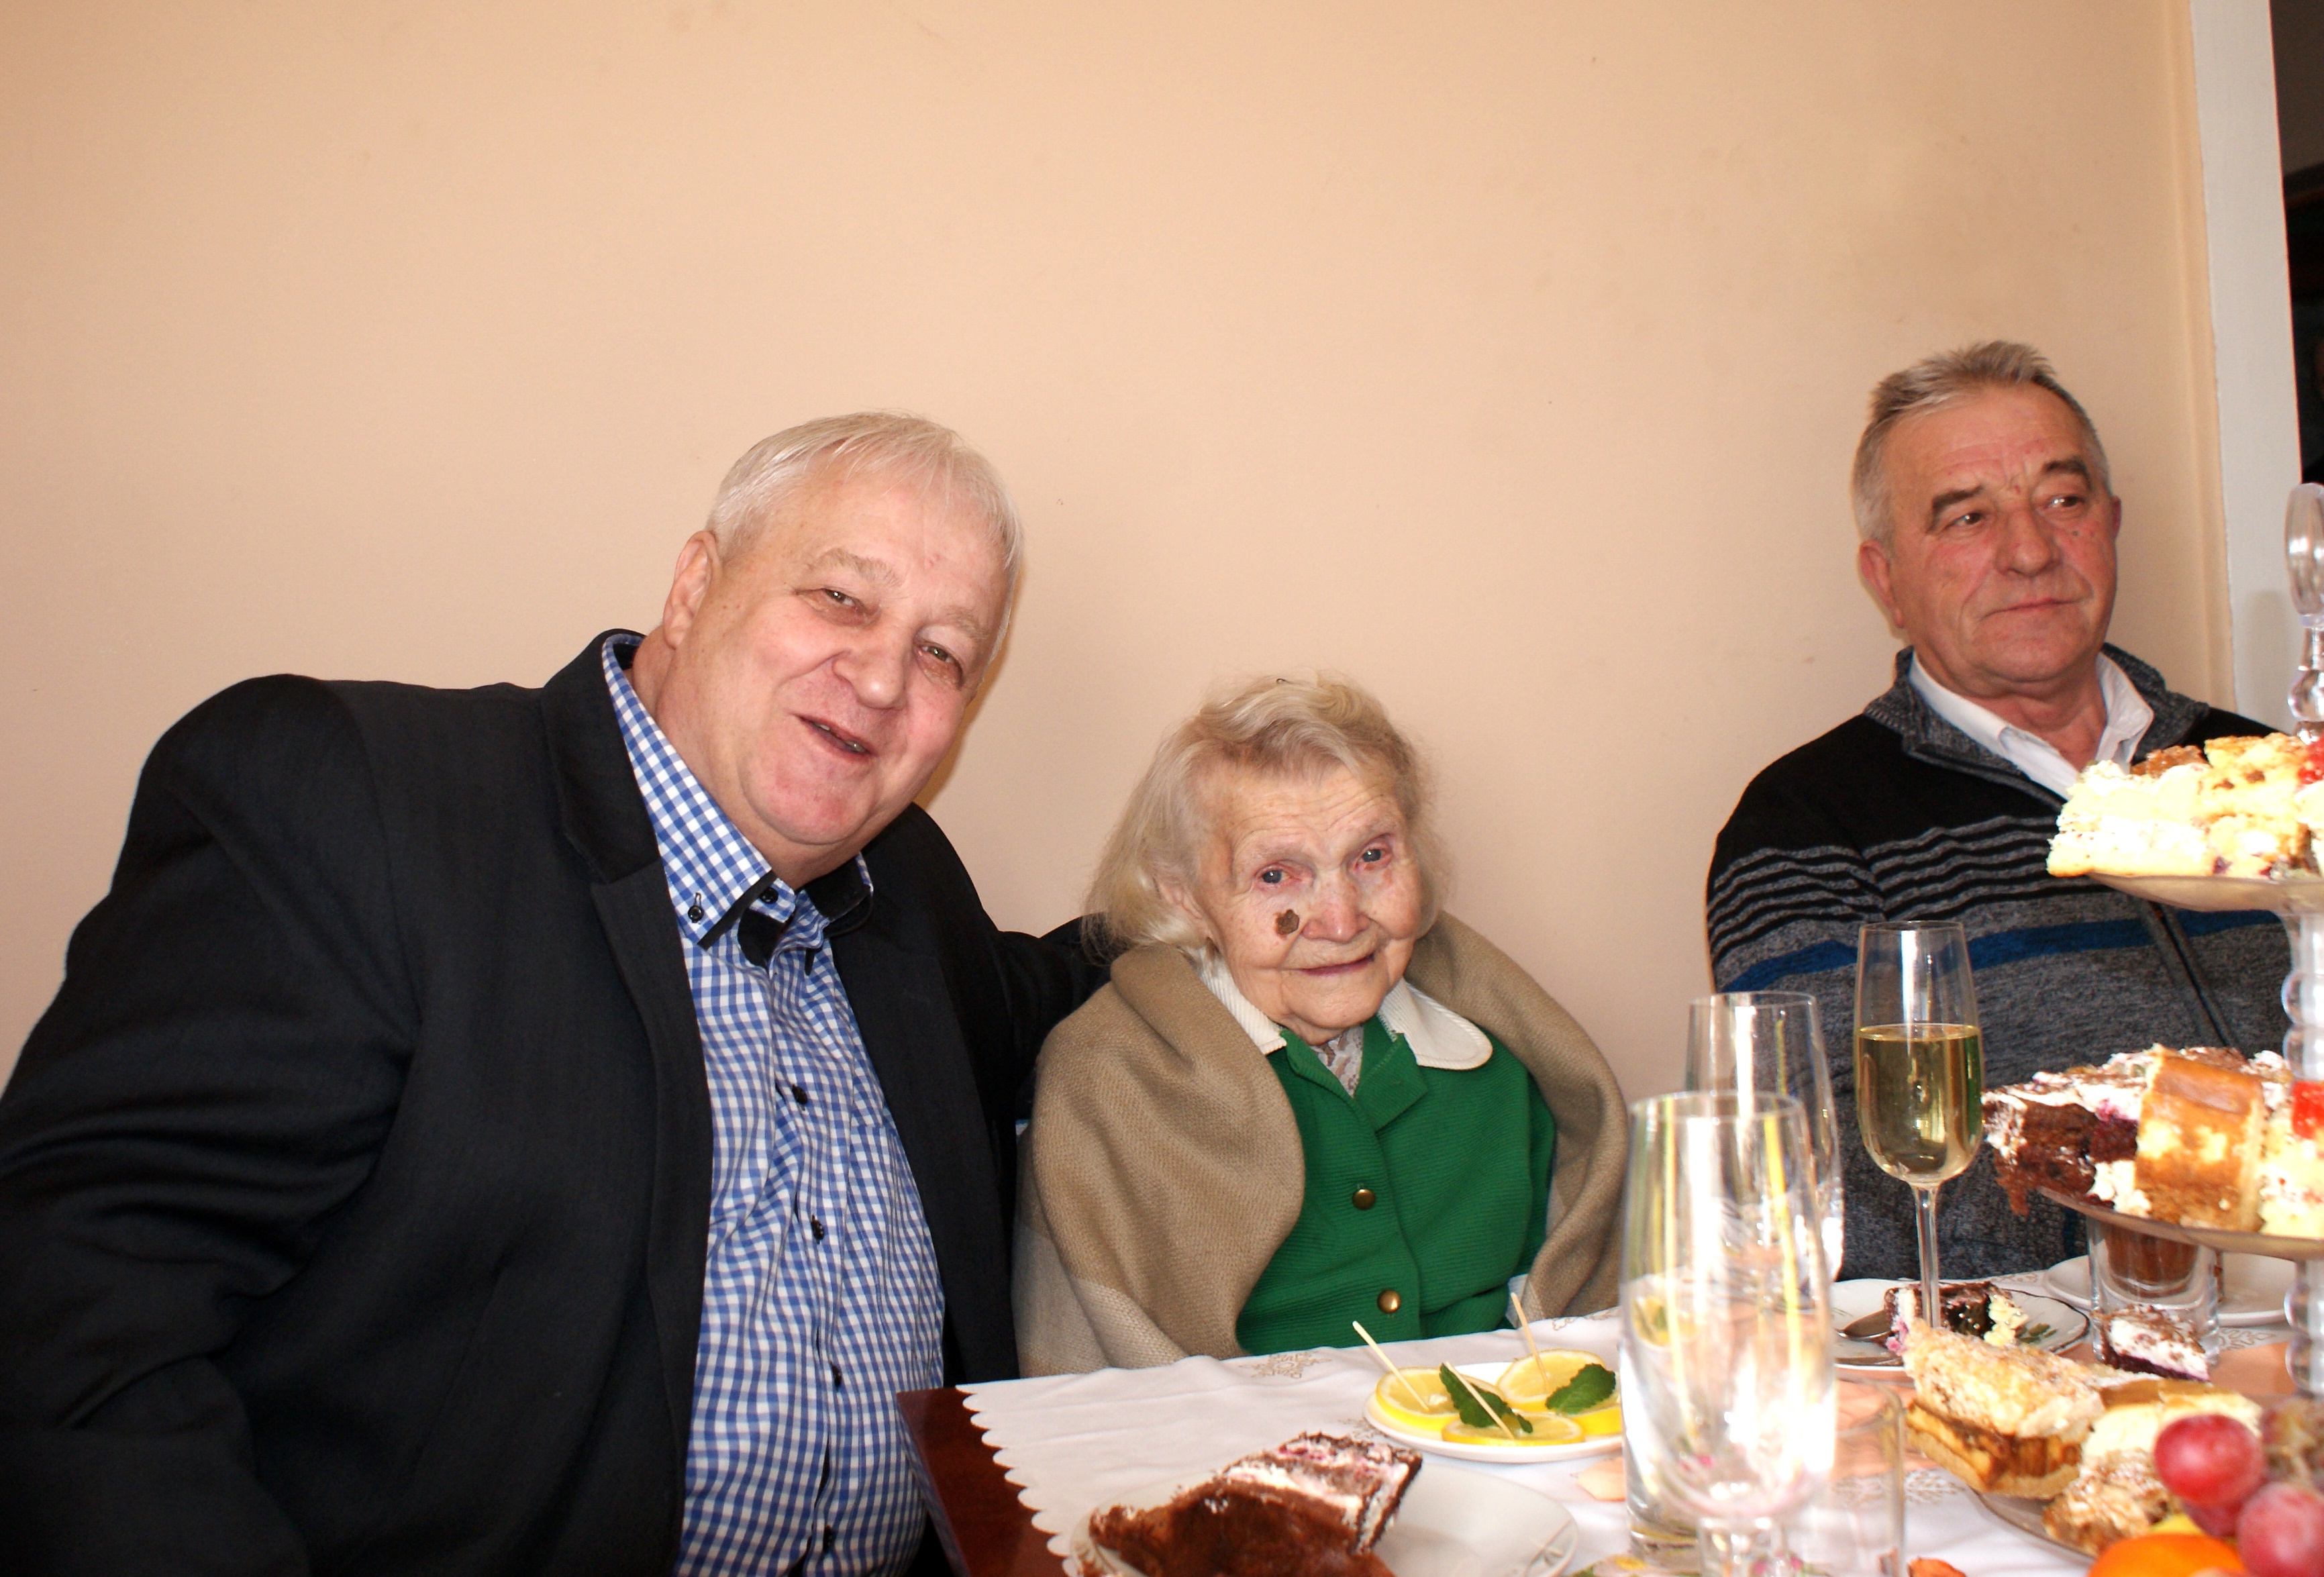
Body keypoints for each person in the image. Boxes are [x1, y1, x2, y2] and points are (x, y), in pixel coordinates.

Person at [0, 413, 1103, 1576]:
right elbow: (74, 1309)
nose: (879, 677)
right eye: (840, 597)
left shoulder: (907, 889)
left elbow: (1034, 990)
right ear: (695, 586)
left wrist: (1224, 884)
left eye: (942, 653)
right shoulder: (358, 805)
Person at [1705, 342, 2287, 1282]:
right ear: (1884, 578)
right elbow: (1818, 1185)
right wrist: (2168, 1208)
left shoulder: (2265, 779)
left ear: (2110, 523)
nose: (2029, 551)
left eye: (2062, 500)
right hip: (2052, 1342)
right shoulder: (1804, 828)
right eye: (1967, 517)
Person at [1013, 675, 1626, 1375]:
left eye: (1371, 856)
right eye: (1276, 875)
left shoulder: (1503, 1066)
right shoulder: (1111, 1085)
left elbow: (1569, 1348)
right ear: (1181, 894)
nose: (1340, 920)